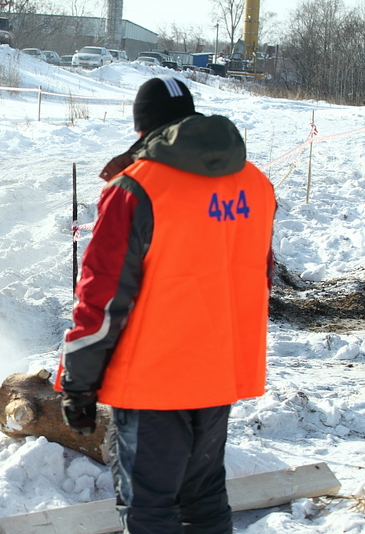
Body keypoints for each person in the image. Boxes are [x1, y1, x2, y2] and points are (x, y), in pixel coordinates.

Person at [55, 76, 276, 534]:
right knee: (205, 498)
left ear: (142, 128)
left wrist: (77, 384)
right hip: (220, 374)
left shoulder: (136, 188)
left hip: (154, 382)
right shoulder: (255, 184)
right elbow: (258, 275)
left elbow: (102, 298)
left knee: (149, 510)